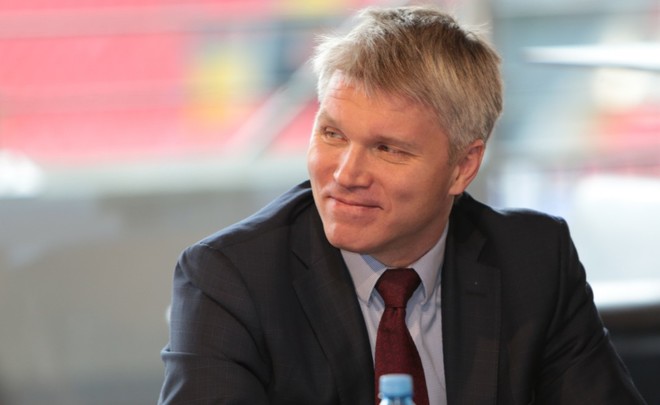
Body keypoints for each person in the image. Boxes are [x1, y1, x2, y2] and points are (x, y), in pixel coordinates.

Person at [158, 5, 646, 405]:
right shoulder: (230, 278)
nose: (345, 174)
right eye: (332, 134)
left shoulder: (533, 259)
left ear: (463, 166)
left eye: (387, 149)